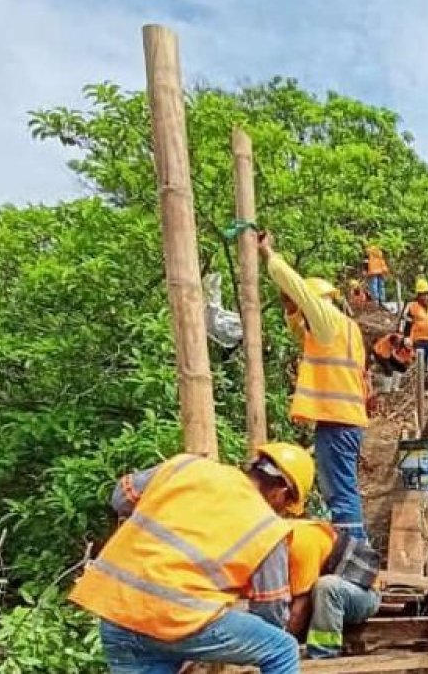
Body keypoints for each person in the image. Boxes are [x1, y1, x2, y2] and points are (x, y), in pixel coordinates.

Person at [69, 443, 315, 674]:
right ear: (282, 493)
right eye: (287, 506)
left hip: (117, 609)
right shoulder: (267, 528)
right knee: (282, 649)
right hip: (177, 618)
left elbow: (121, 497)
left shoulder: (189, 466)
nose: (282, 512)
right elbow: (270, 610)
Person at [259, 231, 371, 542]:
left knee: (340, 494)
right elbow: (301, 331)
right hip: (343, 420)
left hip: (337, 421)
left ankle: (354, 555)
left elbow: (301, 294)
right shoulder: (344, 329)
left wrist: (270, 255)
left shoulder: (327, 322)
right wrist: (291, 308)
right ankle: (355, 551)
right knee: (342, 490)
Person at [284, 519, 382, 659]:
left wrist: (276, 645)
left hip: (364, 595)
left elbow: (299, 609)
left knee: (327, 586)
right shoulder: (282, 537)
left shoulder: (299, 543)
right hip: (332, 598)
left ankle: (324, 654)